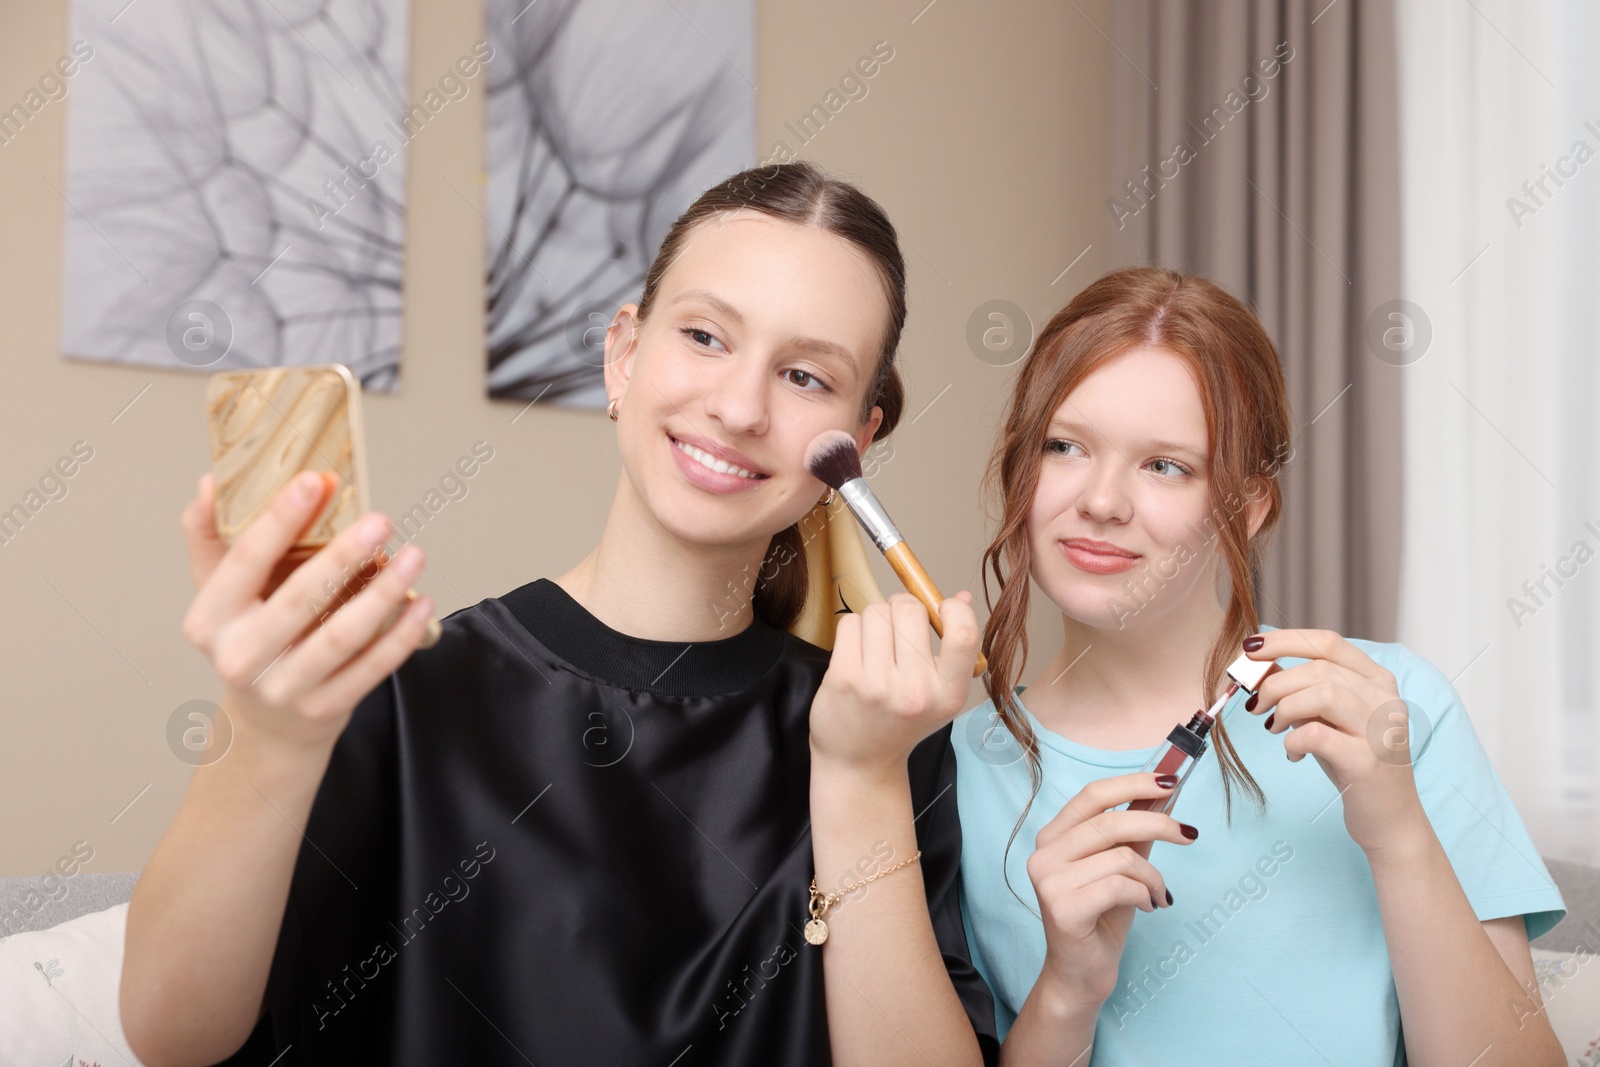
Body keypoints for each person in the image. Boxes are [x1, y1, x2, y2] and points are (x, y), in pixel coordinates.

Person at [121, 162, 999, 1067]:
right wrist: (262, 732)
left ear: (858, 439)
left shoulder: (883, 731)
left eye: (806, 377)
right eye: (703, 335)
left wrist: (858, 782)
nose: (738, 406)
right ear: (623, 353)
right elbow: (171, 1036)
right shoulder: (397, 687)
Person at [952, 266, 1567, 1065]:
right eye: (1064, 446)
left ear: (1247, 505)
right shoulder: (952, 771)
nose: (1101, 500)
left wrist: (1398, 833)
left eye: (1165, 464)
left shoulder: (1394, 707)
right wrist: (1068, 989)